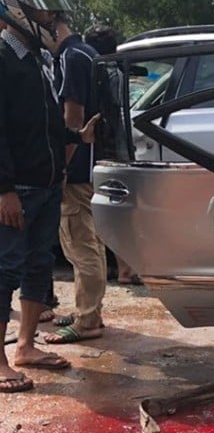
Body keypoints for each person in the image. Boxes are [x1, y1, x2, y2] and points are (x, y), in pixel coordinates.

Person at [0, 0, 99, 392]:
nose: (50, 17)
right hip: (16, 189)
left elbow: (44, 124)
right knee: (5, 270)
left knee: (39, 266)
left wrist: (75, 139)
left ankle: (25, 346)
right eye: (42, 9)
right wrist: (4, 189)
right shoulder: (3, 58)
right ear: (15, 9)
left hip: (45, 184)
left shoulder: (37, 59)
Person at [40, 14, 107, 344]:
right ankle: (88, 311)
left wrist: (60, 168)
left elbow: (73, 118)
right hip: (90, 165)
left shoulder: (70, 57)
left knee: (80, 244)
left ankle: (87, 319)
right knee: (90, 242)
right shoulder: (86, 53)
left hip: (77, 168)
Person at [82, 23, 140, 286]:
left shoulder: (102, 71)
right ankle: (123, 267)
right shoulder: (117, 70)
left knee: (110, 206)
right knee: (117, 207)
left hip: (106, 148)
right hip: (117, 146)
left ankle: (121, 267)